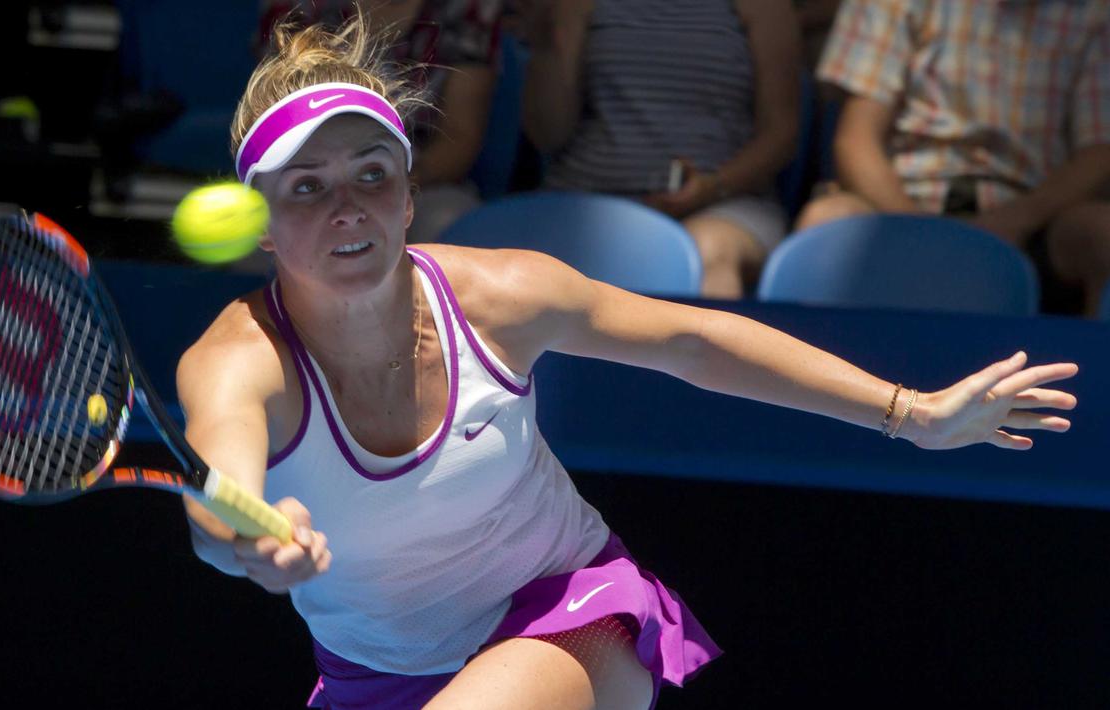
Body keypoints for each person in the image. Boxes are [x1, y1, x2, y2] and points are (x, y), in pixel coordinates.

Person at [177, 13, 1079, 710]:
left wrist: (908, 413)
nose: (347, 205)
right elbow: (218, 496)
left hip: (568, 613)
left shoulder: (502, 296)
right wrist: (250, 540)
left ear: (411, 195)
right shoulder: (236, 361)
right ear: (257, 222)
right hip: (370, 675)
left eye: (372, 172)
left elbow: (693, 342)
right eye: (306, 186)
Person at [795, 0, 1110, 317]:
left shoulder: (1096, 13)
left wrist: (1016, 219)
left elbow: (1098, 153)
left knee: (1103, 230)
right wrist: (923, 232)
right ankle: (806, 365)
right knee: (824, 220)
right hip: (901, 203)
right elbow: (855, 140)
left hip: (1032, 219)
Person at [520, 0, 803, 299]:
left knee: (706, 251)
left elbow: (781, 135)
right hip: (587, 200)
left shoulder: (762, 7)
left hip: (722, 202)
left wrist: (712, 187)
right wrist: (547, 46)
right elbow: (547, 135)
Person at [256, 0, 504, 244]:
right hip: (308, 183)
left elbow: (460, 137)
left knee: (448, 220)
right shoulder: (299, 9)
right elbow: (274, 122)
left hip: (424, 183)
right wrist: (318, 189)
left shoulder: (467, 10)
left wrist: (386, 185)